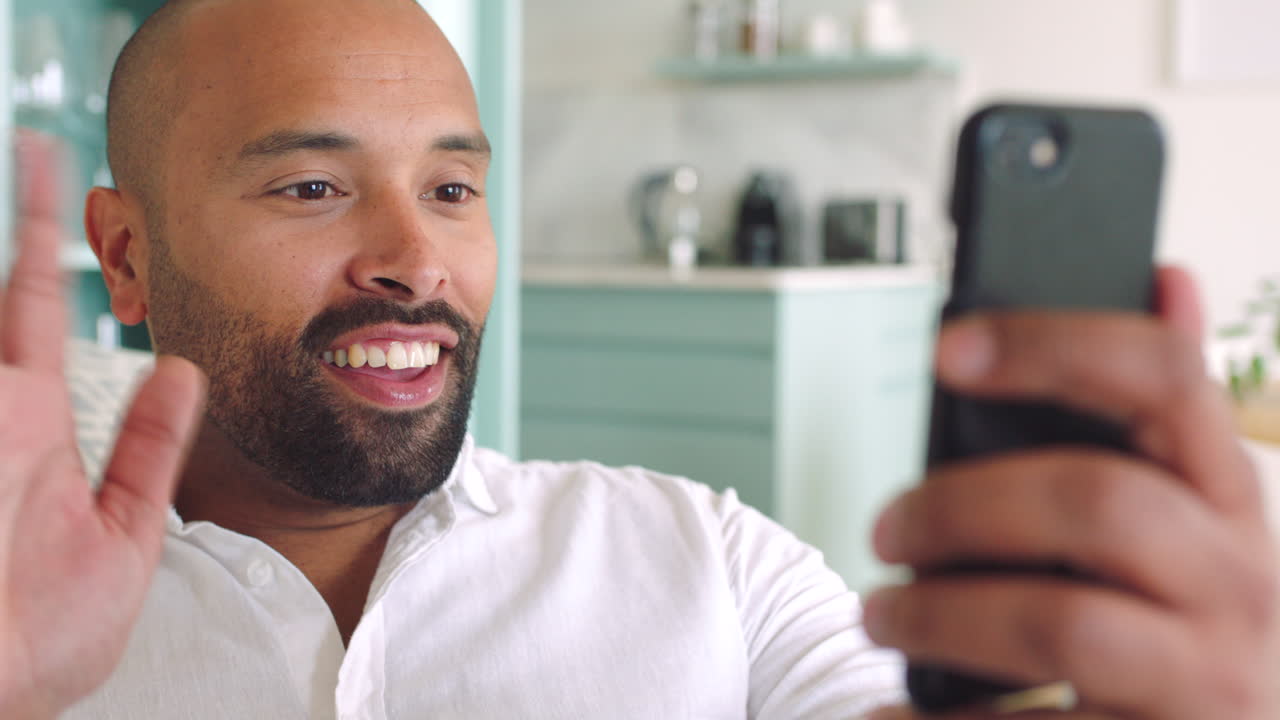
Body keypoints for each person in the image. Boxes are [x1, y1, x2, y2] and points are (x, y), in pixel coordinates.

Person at [0, 0, 1275, 717]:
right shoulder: (29, 619)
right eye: (315, 184)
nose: (416, 260)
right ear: (127, 255)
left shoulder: (708, 563)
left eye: (452, 187)